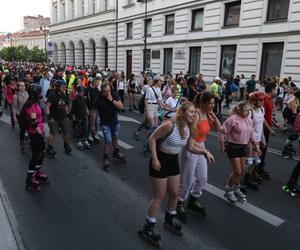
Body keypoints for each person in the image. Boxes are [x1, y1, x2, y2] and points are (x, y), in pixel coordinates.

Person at [139, 101, 196, 244]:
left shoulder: (188, 127)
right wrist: (155, 158)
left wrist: (205, 152)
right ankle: (149, 226)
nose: (194, 115)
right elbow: (152, 139)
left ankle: (169, 218)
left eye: (195, 112)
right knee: (159, 196)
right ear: (183, 112)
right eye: (191, 112)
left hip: (173, 162)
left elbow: (190, 147)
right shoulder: (169, 125)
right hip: (160, 160)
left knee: (175, 193)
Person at [176, 92, 220, 223]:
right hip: (190, 146)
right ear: (202, 103)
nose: (212, 105)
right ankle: (179, 202)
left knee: (202, 178)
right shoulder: (196, 115)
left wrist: (213, 115)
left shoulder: (208, 113)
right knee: (187, 179)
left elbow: (220, 129)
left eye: (214, 103)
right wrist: (204, 151)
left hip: (201, 145)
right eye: (210, 103)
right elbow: (190, 140)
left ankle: (193, 200)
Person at [219, 101, 261, 203]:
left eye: (249, 110)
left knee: (241, 170)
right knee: (237, 171)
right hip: (233, 147)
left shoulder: (248, 120)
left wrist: (256, 146)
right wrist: (222, 145)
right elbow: (222, 132)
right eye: (246, 110)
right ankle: (228, 190)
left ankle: (236, 189)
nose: (248, 112)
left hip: (243, 147)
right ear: (240, 109)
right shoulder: (232, 119)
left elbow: (251, 135)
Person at [91, 82, 125, 171]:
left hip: (115, 122)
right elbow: (94, 112)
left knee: (114, 138)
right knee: (108, 140)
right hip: (105, 124)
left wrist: (111, 100)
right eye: (105, 91)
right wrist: (92, 125)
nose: (107, 93)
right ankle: (105, 158)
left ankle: (116, 152)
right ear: (102, 91)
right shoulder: (98, 99)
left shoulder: (114, 95)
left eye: (108, 91)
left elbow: (121, 106)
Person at [24, 84, 48, 191]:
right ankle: (29, 179)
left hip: (39, 132)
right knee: (35, 155)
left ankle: (37, 172)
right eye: (39, 92)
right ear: (35, 94)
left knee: (42, 153)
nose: (40, 94)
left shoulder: (35, 102)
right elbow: (33, 123)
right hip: (35, 134)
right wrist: (41, 134)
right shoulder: (31, 105)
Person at [243, 91, 265, 190]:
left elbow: (261, 127)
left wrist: (262, 139)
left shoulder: (262, 110)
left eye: (262, 100)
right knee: (250, 161)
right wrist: (250, 142)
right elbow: (247, 128)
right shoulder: (250, 112)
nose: (262, 102)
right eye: (260, 100)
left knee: (255, 161)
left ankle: (248, 177)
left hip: (258, 139)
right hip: (250, 140)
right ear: (254, 101)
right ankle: (245, 178)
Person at [45, 79, 72, 157]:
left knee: (66, 132)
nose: (64, 88)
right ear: (57, 87)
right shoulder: (52, 95)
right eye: (63, 86)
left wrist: (68, 114)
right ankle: (49, 148)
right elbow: (47, 106)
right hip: (54, 117)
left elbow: (66, 105)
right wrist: (49, 117)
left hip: (63, 117)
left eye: (65, 86)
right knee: (53, 133)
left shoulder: (64, 95)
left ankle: (66, 145)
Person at [256, 82, 277, 179]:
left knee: (264, 149)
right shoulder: (264, 99)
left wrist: (275, 123)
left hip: (267, 128)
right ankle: (256, 170)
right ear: (272, 90)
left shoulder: (269, 99)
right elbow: (261, 116)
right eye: (275, 89)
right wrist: (269, 129)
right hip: (263, 129)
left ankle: (260, 168)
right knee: (261, 149)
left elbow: (267, 114)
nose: (275, 91)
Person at [71, 86, 91, 150]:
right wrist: (74, 118)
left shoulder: (84, 99)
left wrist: (87, 111)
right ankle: (79, 142)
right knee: (79, 130)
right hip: (78, 117)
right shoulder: (75, 100)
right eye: (80, 92)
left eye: (82, 92)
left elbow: (85, 106)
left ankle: (85, 140)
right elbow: (73, 110)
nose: (81, 93)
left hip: (84, 116)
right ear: (78, 92)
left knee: (85, 128)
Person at [12, 81, 29, 151]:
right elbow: (14, 107)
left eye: (24, 85)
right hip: (20, 116)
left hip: (29, 115)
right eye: (21, 86)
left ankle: (28, 137)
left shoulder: (28, 94)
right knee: (22, 130)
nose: (23, 87)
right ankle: (22, 142)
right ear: (18, 87)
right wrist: (14, 117)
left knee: (29, 129)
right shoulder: (16, 96)